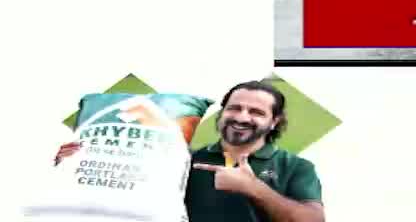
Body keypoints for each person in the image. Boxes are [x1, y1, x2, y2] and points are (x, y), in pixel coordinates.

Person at [54, 80, 325, 222]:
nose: (241, 117)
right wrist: (76, 163)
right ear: (222, 113)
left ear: (274, 121)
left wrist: (253, 188)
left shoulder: (297, 167)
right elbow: (114, 196)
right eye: (234, 108)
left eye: (256, 112)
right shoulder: (180, 158)